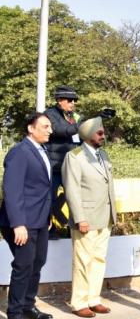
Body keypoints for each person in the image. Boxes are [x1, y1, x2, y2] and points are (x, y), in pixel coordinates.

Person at [0, 113, 54, 319]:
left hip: (40, 219)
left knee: (38, 262)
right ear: (31, 129)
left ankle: (27, 306)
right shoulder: (20, 152)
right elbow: (12, 190)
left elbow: (42, 187)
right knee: (23, 266)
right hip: (22, 221)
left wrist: (47, 215)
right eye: (45, 126)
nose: (50, 130)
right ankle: (15, 312)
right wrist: (18, 224)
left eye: (50, 126)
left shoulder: (42, 151)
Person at [61, 117, 116, 318]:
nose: (103, 135)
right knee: (82, 261)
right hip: (86, 219)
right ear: (86, 134)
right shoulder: (74, 157)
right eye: (99, 132)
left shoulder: (103, 154)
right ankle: (79, 302)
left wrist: (113, 215)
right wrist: (80, 218)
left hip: (105, 217)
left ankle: (94, 299)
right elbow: (72, 190)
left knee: (99, 259)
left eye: (103, 132)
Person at [43, 86, 82, 239]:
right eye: (70, 100)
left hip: (70, 166)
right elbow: (62, 130)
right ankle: (49, 230)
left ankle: (69, 227)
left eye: (75, 100)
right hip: (54, 166)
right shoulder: (50, 114)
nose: (73, 103)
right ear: (59, 100)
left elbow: (80, 136)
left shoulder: (75, 116)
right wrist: (82, 125)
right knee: (49, 199)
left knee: (72, 198)